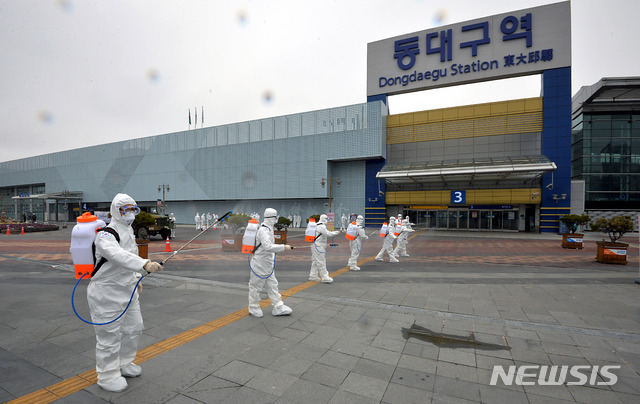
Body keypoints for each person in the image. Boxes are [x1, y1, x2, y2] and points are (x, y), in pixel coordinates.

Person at [88, 193, 164, 392]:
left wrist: (135, 278)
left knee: (134, 328)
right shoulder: (106, 234)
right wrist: (144, 264)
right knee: (109, 336)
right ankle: (107, 375)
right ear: (116, 211)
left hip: (127, 290)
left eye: (133, 209)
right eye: (125, 209)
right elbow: (117, 255)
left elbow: (126, 261)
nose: (130, 213)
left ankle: (124, 362)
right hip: (106, 293)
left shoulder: (128, 231)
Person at [248, 208, 293, 318]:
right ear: (271, 218)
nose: (276, 220)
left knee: (273, 285)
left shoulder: (269, 229)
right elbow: (267, 246)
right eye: (275, 217)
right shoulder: (264, 230)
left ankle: (278, 306)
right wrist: (284, 247)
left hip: (267, 264)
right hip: (259, 264)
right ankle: (253, 307)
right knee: (255, 286)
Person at [309, 214, 341, 283]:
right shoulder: (321, 226)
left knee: (315, 261)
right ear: (324, 219)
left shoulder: (316, 225)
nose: (327, 220)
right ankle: (324, 277)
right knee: (321, 261)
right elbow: (328, 234)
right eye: (326, 219)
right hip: (319, 246)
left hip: (315, 245)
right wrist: (337, 232)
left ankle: (313, 275)